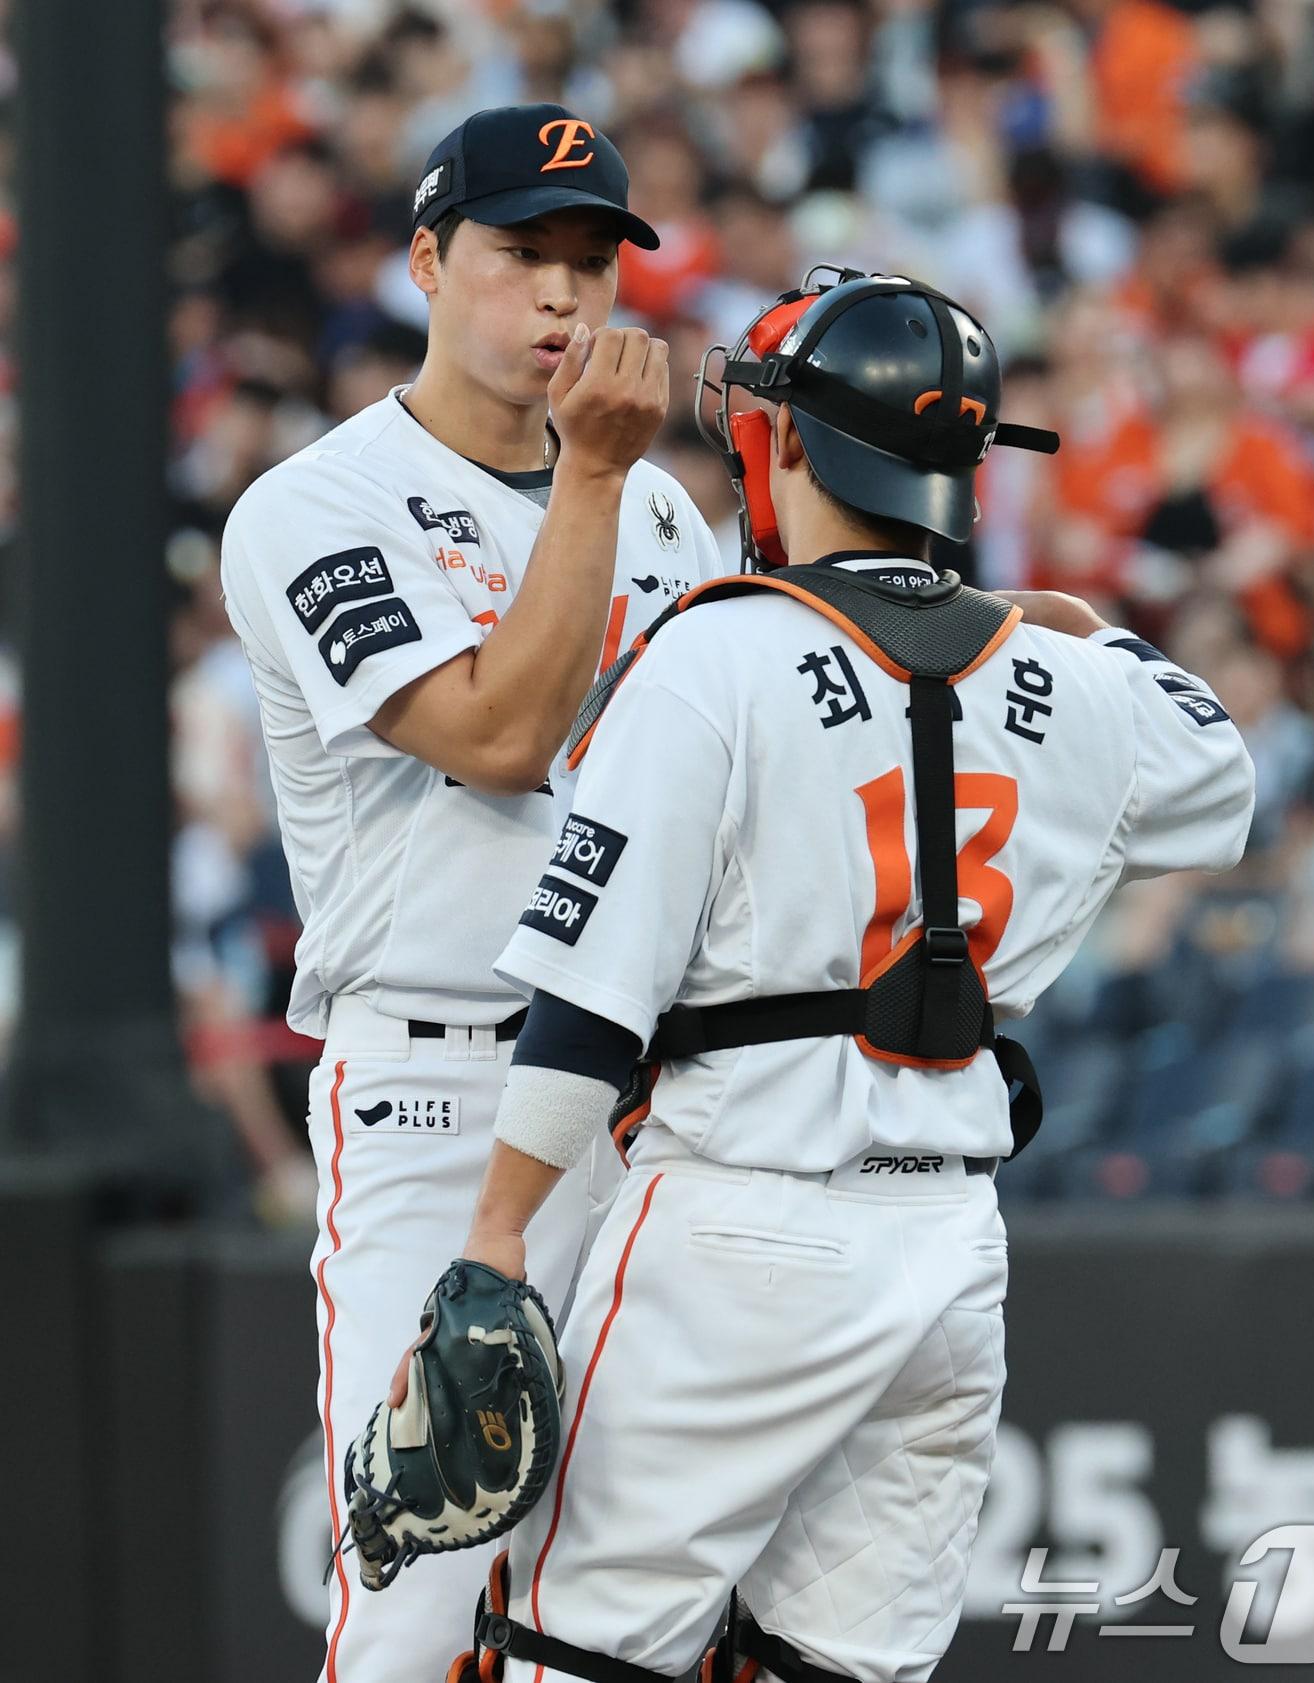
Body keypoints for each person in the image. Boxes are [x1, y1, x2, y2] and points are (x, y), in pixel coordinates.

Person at [413, 271, 1255, 1681]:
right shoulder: (1081, 689)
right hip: (947, 1254)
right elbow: (1220, 766)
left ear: (788, 440)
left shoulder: (717, 652)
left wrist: (495, 1234)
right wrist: (1072, 619)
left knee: (576, 1652)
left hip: (741, 1226)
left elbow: (586, 1012)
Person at [219, 103, 724, 1683]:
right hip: (442, 1093)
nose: (565, 300)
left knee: (621, 1612)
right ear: (428, 258)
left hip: (640, 1098)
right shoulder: (316, 505)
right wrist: (590, 479)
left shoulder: (654, 503)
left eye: (593, 262)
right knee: (424, 1598)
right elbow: (501, 738)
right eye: (522, 256)